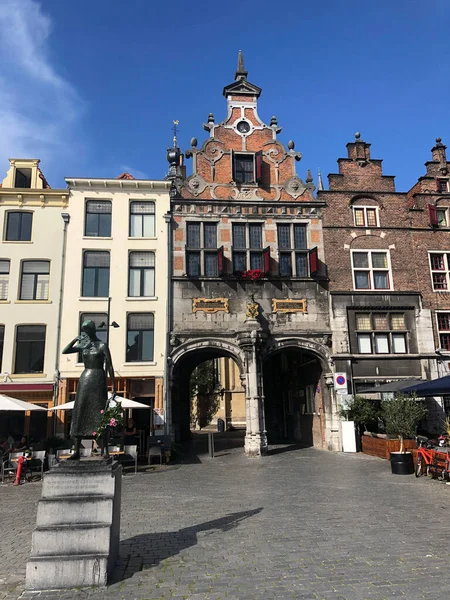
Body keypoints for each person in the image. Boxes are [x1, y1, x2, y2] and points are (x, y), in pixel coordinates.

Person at [62, 320, 115, 460]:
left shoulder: (102, 345)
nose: (86, 333)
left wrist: (113, 386)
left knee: (100, 412)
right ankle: (77, 450)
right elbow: (65, 351)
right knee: (80, 410)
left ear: (93, 330)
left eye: (87, 330)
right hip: (85, 378)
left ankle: (104, 450)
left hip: (98, 377)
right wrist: (75, 339)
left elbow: (109, 366)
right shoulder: (83, 345)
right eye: (84, 331)